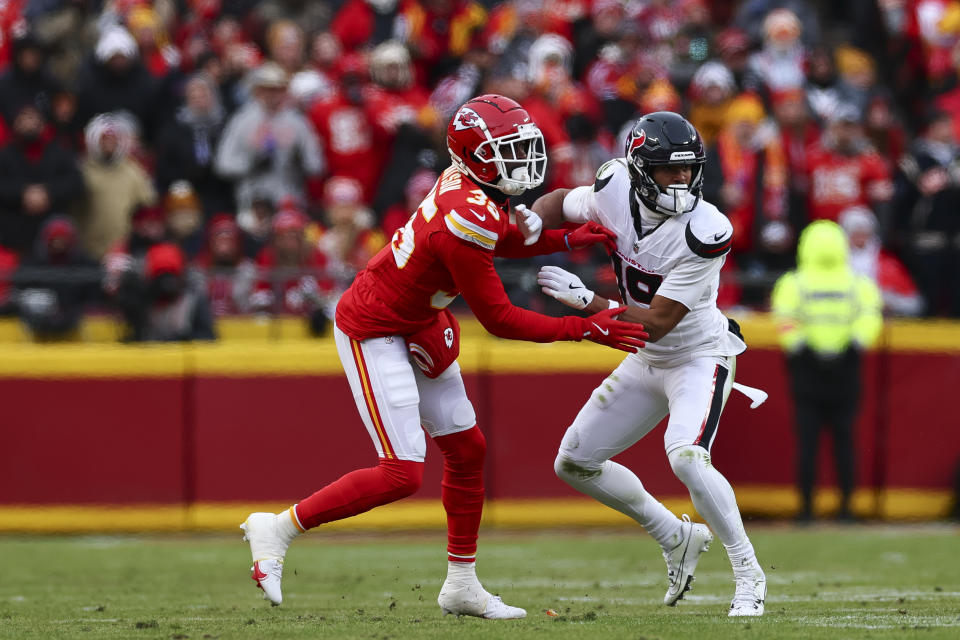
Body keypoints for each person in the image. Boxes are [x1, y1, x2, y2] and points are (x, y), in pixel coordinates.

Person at [239, 94, 647, 619]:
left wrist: (564, 238)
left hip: (419, 320)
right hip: (375, 326)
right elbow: (499, 318)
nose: (523, 160)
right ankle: (277, 528)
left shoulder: (471, 189)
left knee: (467, 450)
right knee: (401, 473)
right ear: (476, 154)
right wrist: (583, 328)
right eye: (510, 150)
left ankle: (461, 583)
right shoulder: (466, 210)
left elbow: (495, 238)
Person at [526, 111, 769, 616]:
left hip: (698, 355)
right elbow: (556, 205)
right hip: (646, 357)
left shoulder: (706, 230)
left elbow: (656, 321)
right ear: (639, 168)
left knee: (685, 455)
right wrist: (521, 225)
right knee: (573, 463)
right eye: (667, 170)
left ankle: (748, 573)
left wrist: (586, 301)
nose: (680, 180)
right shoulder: (613, 184)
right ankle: (674, 535)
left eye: (687, 170)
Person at [771, 220, 882, 522]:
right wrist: (853, 346)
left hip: (807, 370)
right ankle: (846, 508)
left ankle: (806, 510)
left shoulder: (794, 283)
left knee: (807, 444)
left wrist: (803, 348)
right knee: (845, 442)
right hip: (846, 369)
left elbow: (784, 319)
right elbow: (870, 316)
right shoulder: (857, 283)